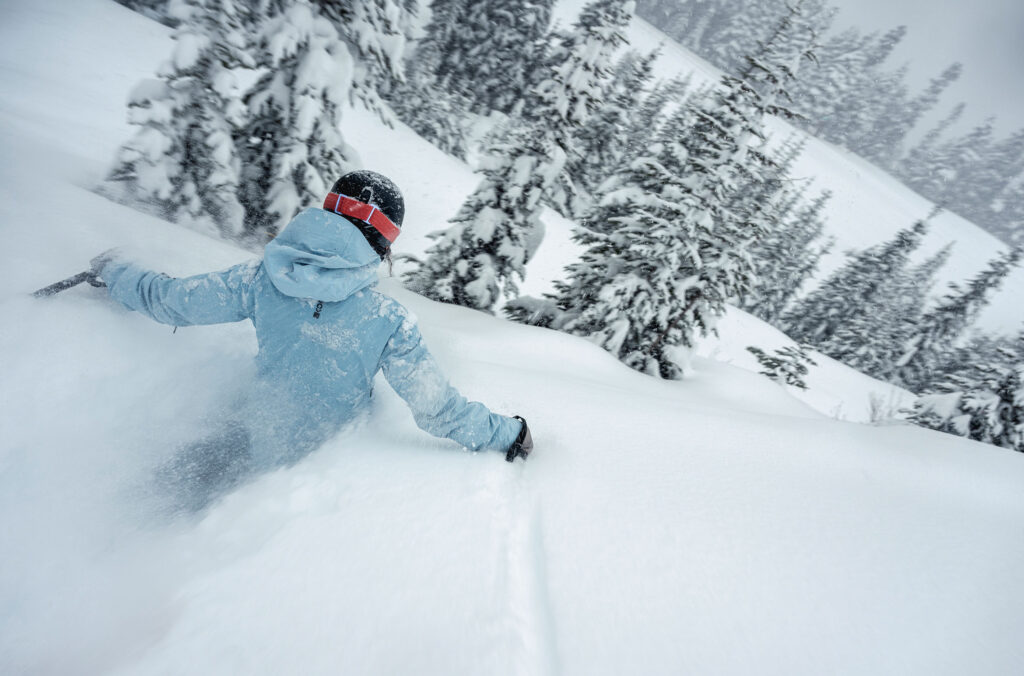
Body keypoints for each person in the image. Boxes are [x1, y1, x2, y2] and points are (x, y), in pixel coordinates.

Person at [91, 170, 532, 511]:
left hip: (250, 433)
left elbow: (173, 302)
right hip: (312, 473)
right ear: (381, 242)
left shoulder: (260, 278)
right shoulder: (388, 320)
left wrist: (114, 272)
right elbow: (439, 412)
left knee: (173, 499)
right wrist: (510, 434)